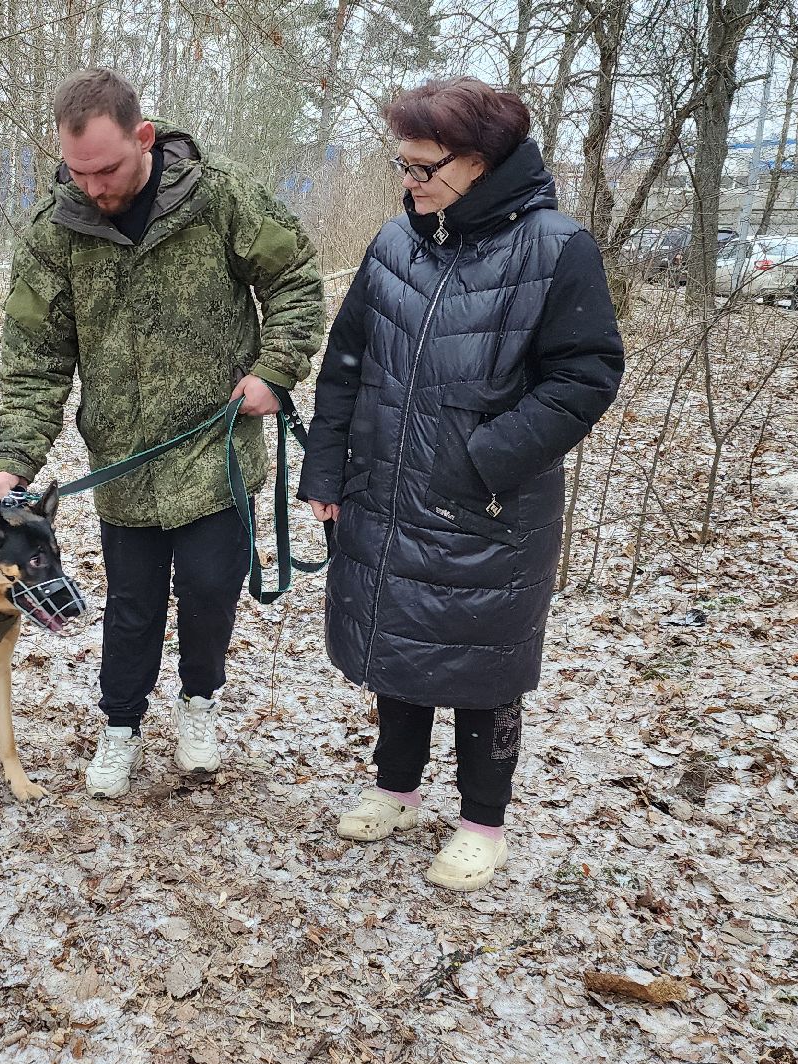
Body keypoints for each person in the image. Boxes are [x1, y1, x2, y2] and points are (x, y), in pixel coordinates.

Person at [297, 78, 624, 890]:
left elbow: (586, 376)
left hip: (488, 504)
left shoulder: (558, 249)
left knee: (483, 662)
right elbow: (345, 366)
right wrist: (327, 468)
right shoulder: (394, 245)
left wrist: (485, 458)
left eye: (422, 168)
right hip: (384, 486)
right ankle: (396, 788)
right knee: (397, 640)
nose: (407, 182)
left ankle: (484, 821)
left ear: (480, 162)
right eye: (401, 166)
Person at [0, 68, 324, 798]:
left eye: (106, 168)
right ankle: (121, 726)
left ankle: (199, 702)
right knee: (133, 606)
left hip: (215, 452)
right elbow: (37, 358)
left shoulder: (223, 197)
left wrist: (276, 369)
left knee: (209, 593)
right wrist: (15, 461)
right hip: (125, 465)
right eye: (78, 172)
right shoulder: (56, 231)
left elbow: (296, 279)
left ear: (144, 138)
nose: (94, 187)